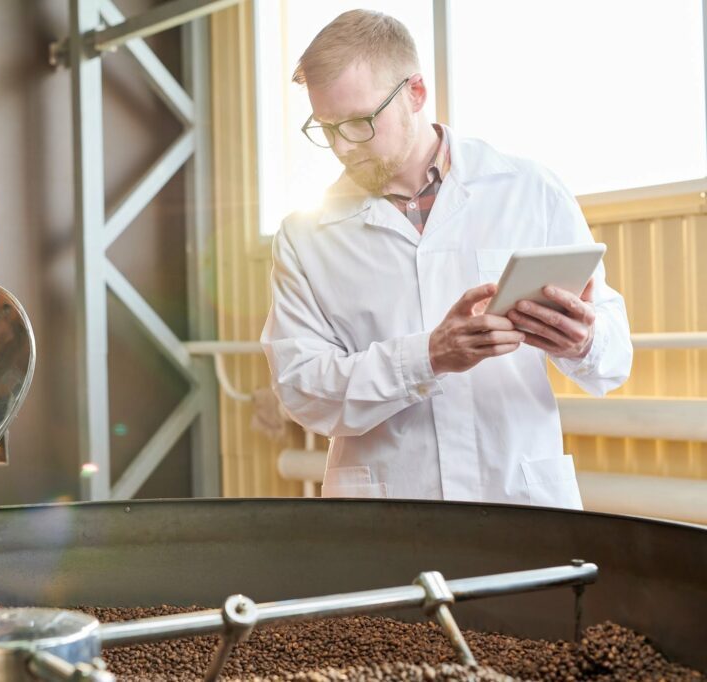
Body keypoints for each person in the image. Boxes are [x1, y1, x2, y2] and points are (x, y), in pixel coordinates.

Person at [260, 10, 632, 508]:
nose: (343, 147)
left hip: (517, 498)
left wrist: (584, 342)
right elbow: (302, 389)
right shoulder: (305, 237)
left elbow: (614, 361)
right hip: (387, 510)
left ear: (415, 93)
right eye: (326, 129)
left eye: (359, 123)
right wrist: (428, 357)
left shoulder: (529, 190)